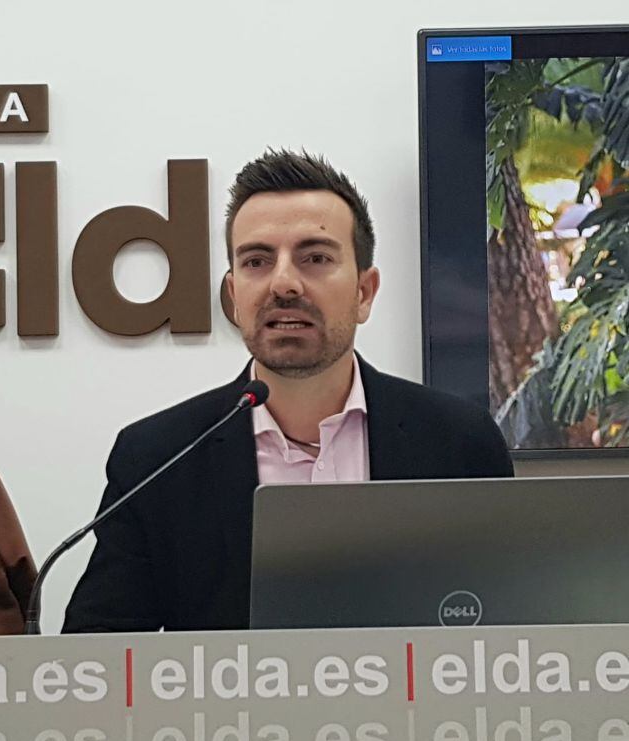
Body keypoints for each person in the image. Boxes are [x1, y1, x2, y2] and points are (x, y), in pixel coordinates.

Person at [63, 149, 513, 633]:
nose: (283, 284)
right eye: (257, 260)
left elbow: (517, 633)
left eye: (314, 258)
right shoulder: (158, 458)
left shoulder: (458, 442)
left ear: (364, 292)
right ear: (234, 297)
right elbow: (97, 664)